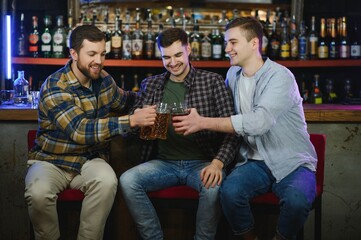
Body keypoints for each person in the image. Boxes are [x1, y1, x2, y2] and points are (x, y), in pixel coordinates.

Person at [173, 17, 317, 240]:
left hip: (292, 161)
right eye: (226, 43)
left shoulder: (281, 76)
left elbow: (259, 122)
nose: (227, 49)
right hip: (253, 162)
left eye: (233, 43)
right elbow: (226, 114)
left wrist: (202, 121)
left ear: (254, 43)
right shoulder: (233, 75)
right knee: (229, 193)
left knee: (297, 202)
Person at [24, 25, 156, 240]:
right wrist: (131, 120)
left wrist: (155, 92)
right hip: (51, 160)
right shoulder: (55, 85)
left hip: (90, 159)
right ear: (74, 54)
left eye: (103, 54)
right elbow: (79, 130)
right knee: (38, 193)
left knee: (107, 181)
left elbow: (126, 100)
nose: (99, 61)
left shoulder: (104, 80)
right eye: (92, 54)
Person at [119, 27, 239, 240]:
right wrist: (135, 120)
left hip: (201, 163)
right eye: (166, 57)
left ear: (188, 50)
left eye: (177, 55)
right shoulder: (151, 84)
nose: (172, 63)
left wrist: (217, 164)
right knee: (128, 180)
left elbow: (233, 131)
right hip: (164, 163)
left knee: (213, 187)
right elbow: (129, 133)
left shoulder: (212, 82)